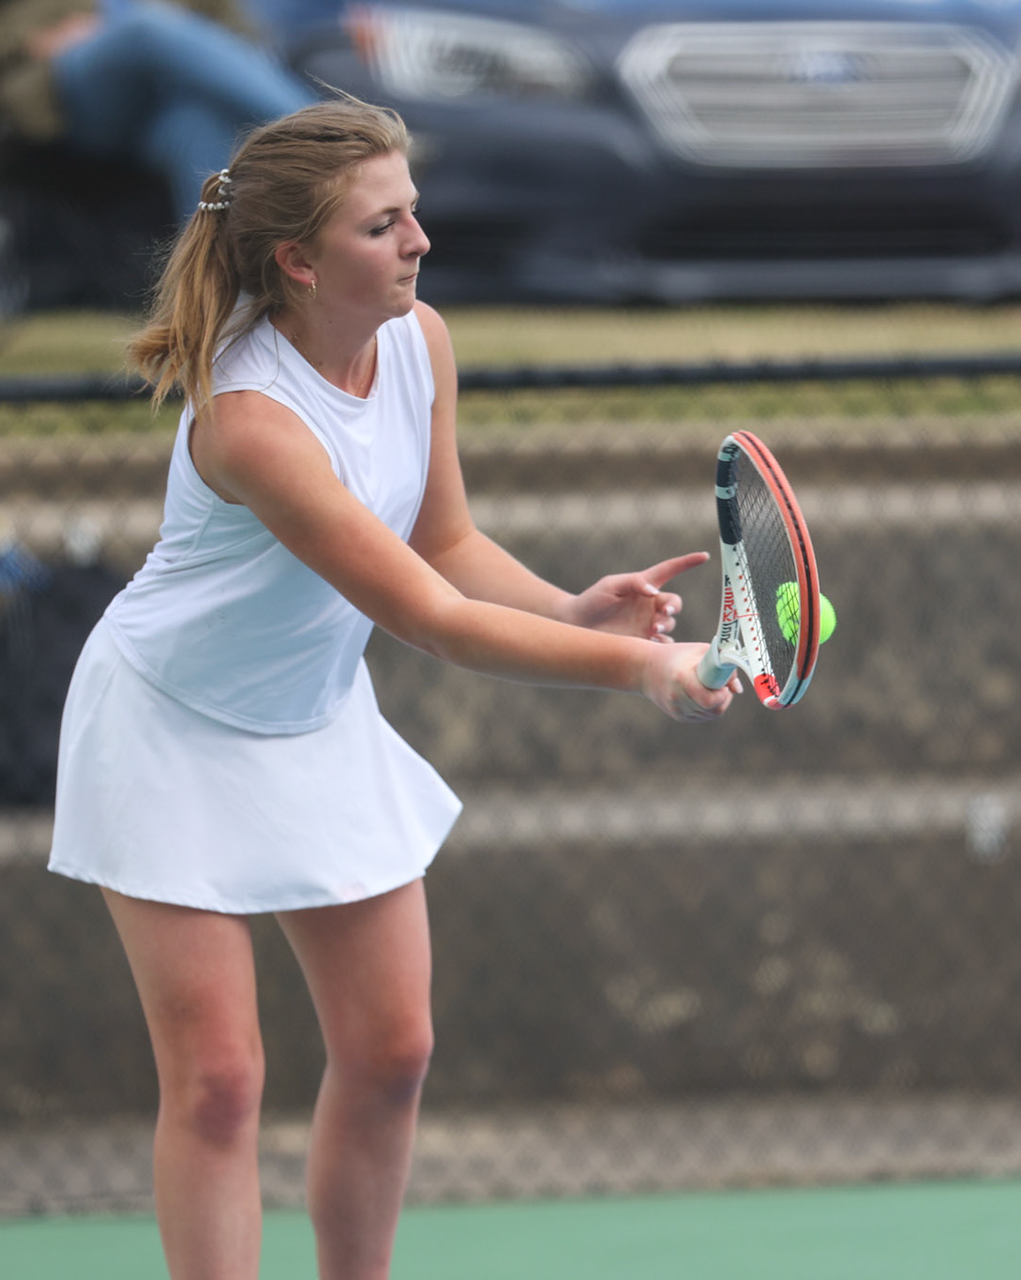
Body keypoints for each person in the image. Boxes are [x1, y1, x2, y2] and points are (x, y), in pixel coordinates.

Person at [46, 98, 740, 1280]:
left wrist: (571, 607)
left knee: (393, 1049)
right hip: (166, 726)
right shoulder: (252, 421)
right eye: (385, 226)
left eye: (414, 212)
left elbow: (447, 544)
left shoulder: (420, 343)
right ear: (300, 261)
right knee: (218, 1083)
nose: (420, 240)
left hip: (312, 718)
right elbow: (425, 617)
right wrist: (642, 666)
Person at [0, 0, 314, 214]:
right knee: (145, 29)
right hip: (72, 86)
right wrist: (26, 40)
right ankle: (331, 137)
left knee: (196, 126)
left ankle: (218, 304)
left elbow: (240, 33)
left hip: (167, 96)